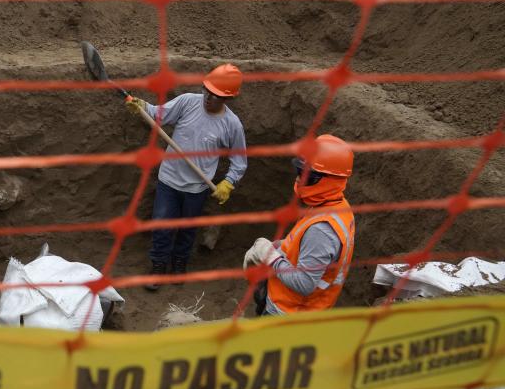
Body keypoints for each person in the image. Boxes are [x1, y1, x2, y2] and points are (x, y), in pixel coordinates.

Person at [126, 64, 248, 290]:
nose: (209, 98)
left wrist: (228, 182)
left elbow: (239, 161)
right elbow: (158, 114)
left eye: (216, 95)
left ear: (228, 99)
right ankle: (159, 266)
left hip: (197, 188)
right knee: (162, 226)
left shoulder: (232, 125)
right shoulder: (188, 102)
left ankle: (179, 264)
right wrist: (142, 106)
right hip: (169, 180)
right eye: (207, 91)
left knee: (188, 230)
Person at [243, 134, 356, 316]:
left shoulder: (322, 230)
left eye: (306, 176)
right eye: (299, 172)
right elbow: (306, 248)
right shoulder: (335, 206)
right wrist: (281, 246)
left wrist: (271, 257)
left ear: (329, 179)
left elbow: (304, 283)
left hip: (289, 313)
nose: (298, 180)